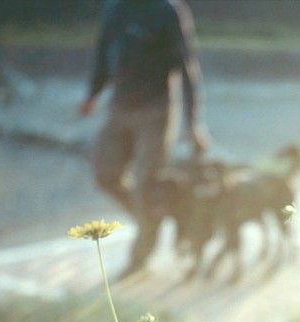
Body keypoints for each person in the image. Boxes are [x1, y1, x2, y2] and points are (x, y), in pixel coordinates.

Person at [79, 0, 206, 278]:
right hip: (120, 106)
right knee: (106, 176)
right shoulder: (115, 8)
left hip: (156, 111)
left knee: (146, 185)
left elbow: (187, 67)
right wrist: (92, 93)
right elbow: (103, 51)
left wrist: (193, 123)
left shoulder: (167, 10)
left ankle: (138, 262)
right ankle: (150, 219)